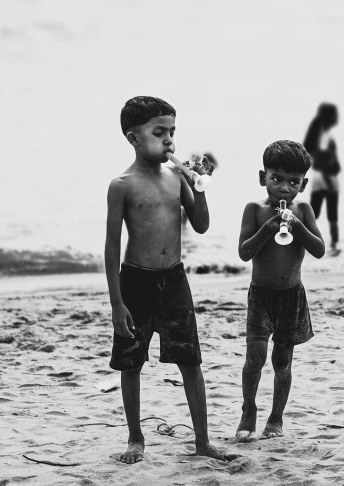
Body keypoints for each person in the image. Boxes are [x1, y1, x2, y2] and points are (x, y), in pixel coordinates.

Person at [105, 96, 237, 464]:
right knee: (132, 363)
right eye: (159, 132)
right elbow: (111, 248)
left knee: (190, 360)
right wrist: (117, 303)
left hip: (175, 280)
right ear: (134, 138)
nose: (169, 142)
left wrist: (199, 185)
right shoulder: (122, 185)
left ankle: (203, 442)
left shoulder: (177, 179)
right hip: (135, 281)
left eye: (172, 132)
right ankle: (135, 438)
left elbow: (201, 225)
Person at [234, 140, 325, 442]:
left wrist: (297, 228)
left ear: (304, 183)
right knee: (255, 358)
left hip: (291, 297)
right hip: (261, 297)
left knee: (282, 361)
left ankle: (276, 418)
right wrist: (267, 229)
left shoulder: (303, 210)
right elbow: (245, 253)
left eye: (293, 182)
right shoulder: (255, 210)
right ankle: (249, 410)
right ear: (263, 178)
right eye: (276, 179)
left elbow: (319, 250)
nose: (284, 188)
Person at [303, 103, 341, 256]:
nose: (337, 117)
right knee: (328, 214)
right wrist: (329, 181)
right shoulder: (322, 135)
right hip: (326, 178)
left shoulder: (320, 132)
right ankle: (333, 245)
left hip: (321, 178)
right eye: (334, 114)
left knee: (316, 213)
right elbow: (322, 160)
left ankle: (308, 242)